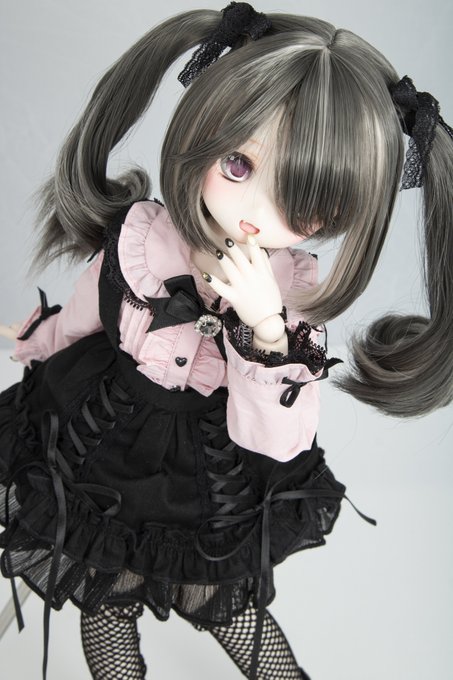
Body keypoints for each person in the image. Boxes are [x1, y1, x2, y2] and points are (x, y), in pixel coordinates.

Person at [0, 3, 452, 679]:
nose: (254, 213)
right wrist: (38, 342)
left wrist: (266, 327)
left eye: (302, 202)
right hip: (105, 443)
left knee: (227, 607)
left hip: (208, 474)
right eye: (237, 164)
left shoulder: (293, 290)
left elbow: (282, 438)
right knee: (106, 598)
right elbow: (87, 316)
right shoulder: (141, 237)